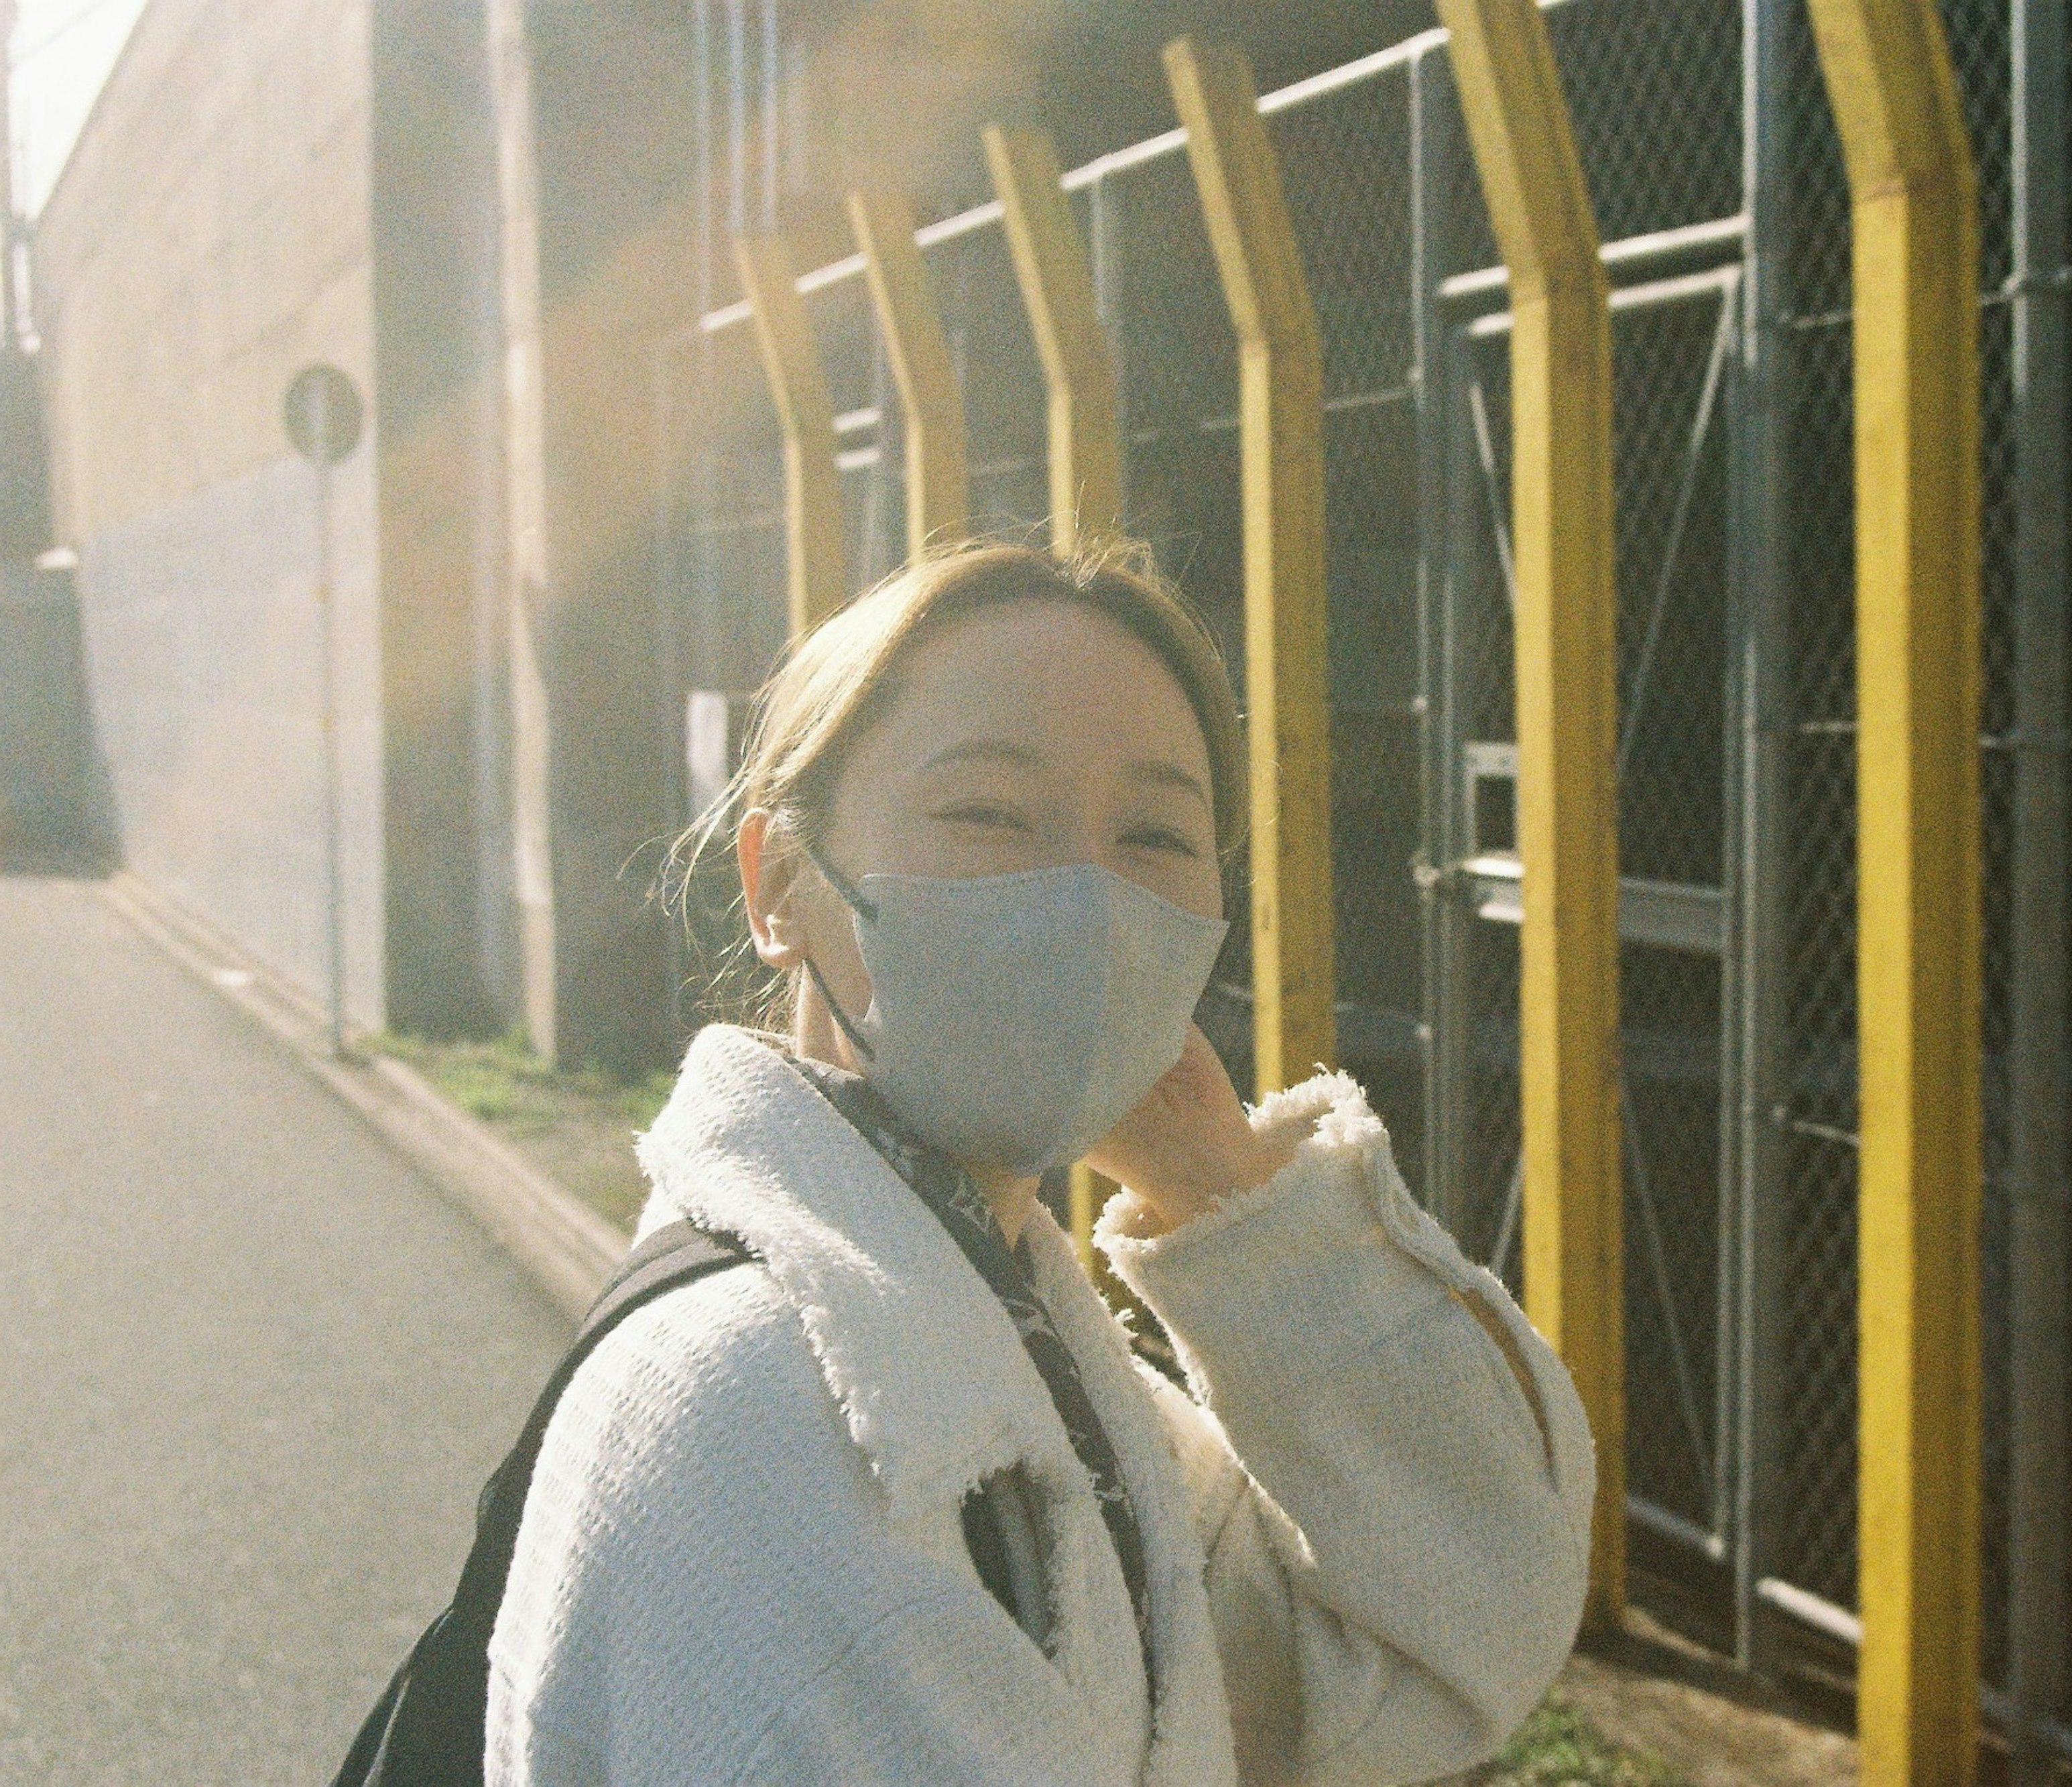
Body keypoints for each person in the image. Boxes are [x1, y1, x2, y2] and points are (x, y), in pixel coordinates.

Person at [485, 541, 1595, 1786]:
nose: (1083, 893)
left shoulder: (1023, 1358)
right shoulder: (756, 1407)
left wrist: (1229, 1195)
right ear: (779, 883)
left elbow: (1458, 1633)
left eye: (1156, 834)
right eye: (987, 813)